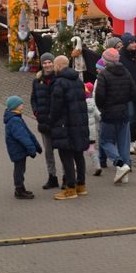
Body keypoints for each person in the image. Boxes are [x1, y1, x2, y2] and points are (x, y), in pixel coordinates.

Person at [93, 47, 136, 184]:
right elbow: (134, 92)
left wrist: (102, 107)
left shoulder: (103, 75)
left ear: (105, 61)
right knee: (124, 143)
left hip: (109, 114)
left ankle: (119, 163)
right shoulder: (126, 72)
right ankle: (125, 171)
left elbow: (99, 97)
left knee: (105, 141)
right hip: (123, 113)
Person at [49, 55, 90, 200]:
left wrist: (51, 120)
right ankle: (81, 185)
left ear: (59, 66)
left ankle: (70, 189)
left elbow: (56, 107)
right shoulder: (78, 80)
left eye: (54, 65)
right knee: (78, 155)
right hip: (79, 124)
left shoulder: (59, 83)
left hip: (65, 125)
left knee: (66, 157)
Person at [29, 53, 59, 190]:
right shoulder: (37, 81)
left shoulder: (59, 79)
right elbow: (33, 99)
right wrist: (37, 113)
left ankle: (67, 176)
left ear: (53, 63)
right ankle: (52, 176)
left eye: (49, 62)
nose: (47, 65)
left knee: (64, 150)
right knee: (48, 152)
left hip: (58, 122)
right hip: (44, 121)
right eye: (45, 63)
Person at [3, 96, 40, 199]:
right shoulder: (15, 120)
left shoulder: (16, 117)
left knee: (20, 169)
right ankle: (19, 190)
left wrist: (36, 146)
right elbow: (23, 137)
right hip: (17, 150)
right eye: (20, 104)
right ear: (15, 106)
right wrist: (32, 149)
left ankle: (21, 188)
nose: (23, 105)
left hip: (18, 149)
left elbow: (27, 133)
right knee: (19, 170)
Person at [85, 81, 102, 176]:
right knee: (91, 150)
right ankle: (98, 166)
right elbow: (99, 116)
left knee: (78, 151)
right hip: (92, 133)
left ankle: (77, 167)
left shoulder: (80, 105)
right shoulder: (93, 104)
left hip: (82, 132)